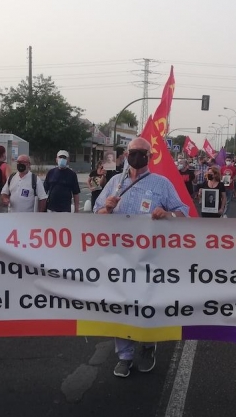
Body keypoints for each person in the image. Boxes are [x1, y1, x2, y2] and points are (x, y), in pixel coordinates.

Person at [93, 137, 189, 378]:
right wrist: (108, 208)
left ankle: (147, 346)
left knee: (146, 306)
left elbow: (184, 213)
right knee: (121, 306)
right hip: (119, 258)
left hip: (150, 259)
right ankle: (124, 356)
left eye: (142, 153)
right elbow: (95, 215)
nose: (137, 156)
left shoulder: (161, 183)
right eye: (133, 152)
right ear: (126, 154)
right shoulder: (115, 182)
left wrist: (167, 213)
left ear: (150, 156)